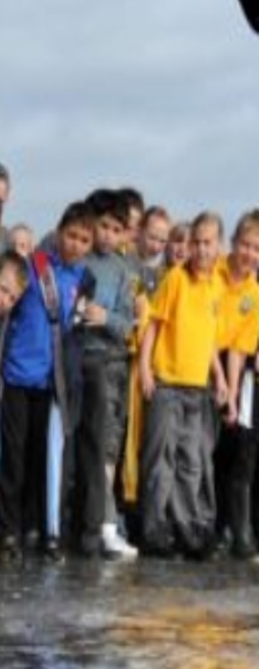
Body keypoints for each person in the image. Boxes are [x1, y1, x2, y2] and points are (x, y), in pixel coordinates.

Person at [0, 204, 93, 560]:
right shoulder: (34, 267)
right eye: (72, 235)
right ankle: (5, 531)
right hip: (17, 377)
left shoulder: (83, 280)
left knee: (42, 460)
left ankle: (36, 528)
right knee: (12, 459)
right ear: (59, 230)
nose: (76, 245)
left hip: (51, 386)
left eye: (84, 239)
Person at [138, 211, 226, 557]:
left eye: (208, 243)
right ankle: (153, 528)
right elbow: (154, 326)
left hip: (197, 388)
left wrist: (219, 379)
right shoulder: (176, 278)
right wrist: (146, 368)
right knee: (161, 458)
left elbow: (209, 342)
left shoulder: (215, 286)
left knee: (191, 460)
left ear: (218, 245)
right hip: (168, 383)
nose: (201, 250)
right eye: (196, 243)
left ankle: (188, 527)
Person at [76, 191, 140, 560]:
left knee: (105, 446)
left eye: (117, 229)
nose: (107, 235)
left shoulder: (122, 270)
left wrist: (105, 318)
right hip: (77, 359)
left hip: (110, 364)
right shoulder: (79, 256)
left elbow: (126, 323)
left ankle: (102, 526)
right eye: (103, 226)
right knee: (80, 447)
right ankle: (85, 527)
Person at [212, 211, 259, 557]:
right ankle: (212, 528)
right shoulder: (213, 272)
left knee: (241, 451)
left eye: (257, 249)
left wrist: (229, 394)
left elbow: (241, 351)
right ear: (233, 243)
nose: (249, 254)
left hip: (235, 370)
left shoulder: (254, 292)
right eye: (245, 244)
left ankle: (239, 534)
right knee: (208, 453)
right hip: (201, 363)